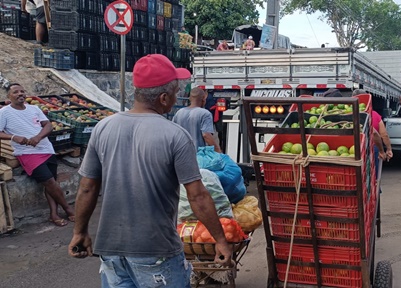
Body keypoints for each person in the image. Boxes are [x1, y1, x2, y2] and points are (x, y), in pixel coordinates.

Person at [68, 54, 232, 286]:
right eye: (175, 93)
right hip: (156, 251)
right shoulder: (175, 135)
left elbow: (87, 187)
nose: (177, 99)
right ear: (163, 98)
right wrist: (220, 240)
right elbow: (197, 195)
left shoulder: (103, 128)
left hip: (112, 252)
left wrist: (80, 232)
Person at [0, 83, 75, 227]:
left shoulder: (34, 108)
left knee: (52, 182)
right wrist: (13, 137)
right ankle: (68, 208)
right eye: (16, 92)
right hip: (27, 153)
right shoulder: (4, 113)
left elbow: (48, 125)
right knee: (49, 182)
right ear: (8, 96)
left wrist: (38, 137)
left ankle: (53, 214)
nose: (20, 94)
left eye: (22, 91)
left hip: (46, 148)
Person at [172, 87, 222, 152]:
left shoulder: (179, 113)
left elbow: (173, 133)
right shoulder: (205, 114)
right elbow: (206, 135)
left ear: (190, 98)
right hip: (197, 156)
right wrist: (218, 150)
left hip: (181, 155)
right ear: (204, 99)